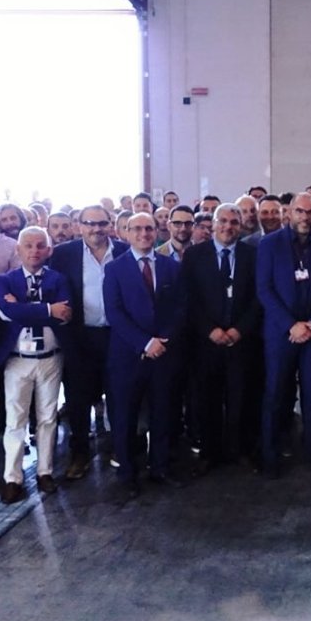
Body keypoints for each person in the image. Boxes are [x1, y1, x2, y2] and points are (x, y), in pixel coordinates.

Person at [103, 212, 186, 498]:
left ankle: (160, 467)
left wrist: (163, 339)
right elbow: (114, 312)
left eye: (149, 228)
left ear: (157, 231)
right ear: (125, 233)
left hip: (164, 353)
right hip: (128, 355)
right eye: (136, 228)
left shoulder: (171, 267)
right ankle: (127, 473)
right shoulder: (114, 269)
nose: (143, 234)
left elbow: (180, 308)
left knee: (163, 412)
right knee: (125, 416)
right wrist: (145, 343)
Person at [256, 192, 311, 478]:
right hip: (281, 334)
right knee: (275, 395)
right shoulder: (269, 244)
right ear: (289, 212)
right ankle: (270, 457)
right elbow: (264, 289)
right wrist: (291, 325)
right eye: (300, 211)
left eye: (310, 212)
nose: (305, 217)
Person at [48, 205, 129, 479]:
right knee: (77, 399)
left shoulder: (124, 250)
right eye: (90, 223)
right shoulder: (63, 254)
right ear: (79, 226)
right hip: (80, 336)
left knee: (119, 394)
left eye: (102, 223)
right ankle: (79, 453)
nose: (96, 229)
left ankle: (121, 449)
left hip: (117, 336)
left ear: (111, 224)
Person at [0, 227, 72, 504]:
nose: (34, 251)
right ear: (18, 249)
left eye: (40, 246)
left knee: (48, 417)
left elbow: (65, 314)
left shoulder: (59, 279)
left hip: (51, 357)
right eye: (28, 245)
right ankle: (12, 478)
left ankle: (44, 471)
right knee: (15, 418)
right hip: (17, 359)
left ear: (49, 250)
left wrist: (23, 309)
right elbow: (6, 312)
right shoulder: (6, 280)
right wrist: (48, 309)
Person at [181, 204, 261, 476]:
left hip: (241, 340)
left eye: (234, 222)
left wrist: (240, 329)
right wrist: (209, 329)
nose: (228, 226)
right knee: (207, 400)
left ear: (241, 226)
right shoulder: (194, 255)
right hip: (206, 342)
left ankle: (240, 450)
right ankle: (209, 453)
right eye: (223, 221)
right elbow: (188, 298)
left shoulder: (253, 255)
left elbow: (259, 298)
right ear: (212, 224)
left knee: (242, 398)